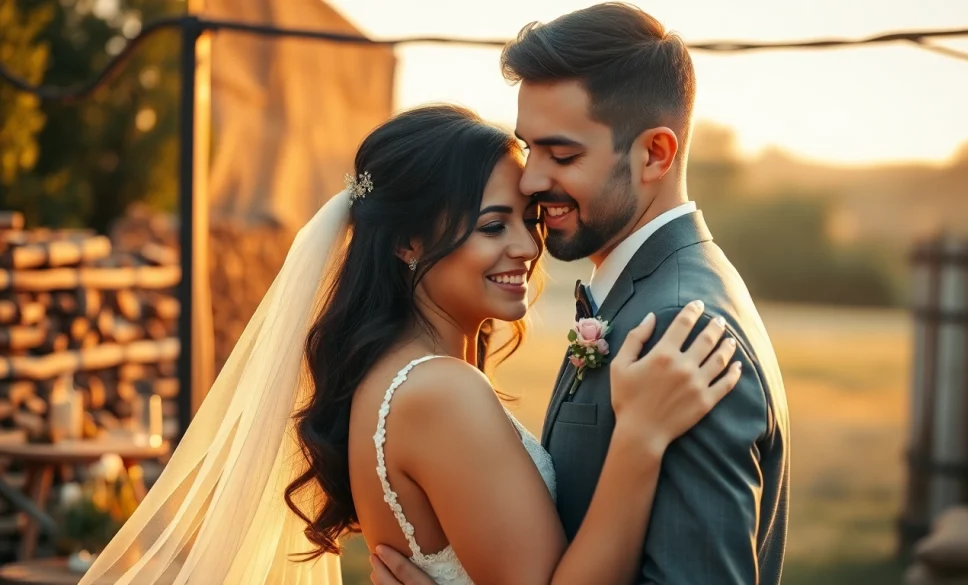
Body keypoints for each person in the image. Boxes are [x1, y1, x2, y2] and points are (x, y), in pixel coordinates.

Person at [77, 104, 739, 585]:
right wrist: (640, 440)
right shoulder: (438, 392)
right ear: (407, 242)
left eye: (528, 220)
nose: (525, 246)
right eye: (491, 225)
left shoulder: (394, 378)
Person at [371, 3, 790, 585]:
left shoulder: (676, 326)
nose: (532, 179)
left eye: (562, 155)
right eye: (531, 148)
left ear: (655, 154)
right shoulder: (641, 294)